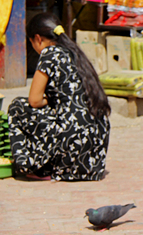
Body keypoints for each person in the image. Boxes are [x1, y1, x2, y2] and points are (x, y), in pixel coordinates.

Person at [8, 13, 111, 181]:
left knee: (18, 106)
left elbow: (34, 100)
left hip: (72, 145)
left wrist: (49, 99)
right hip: (93, 160)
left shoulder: (49, 54)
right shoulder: (76, 53)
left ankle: (34, 165)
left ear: (38, 39)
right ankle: (54, 163)